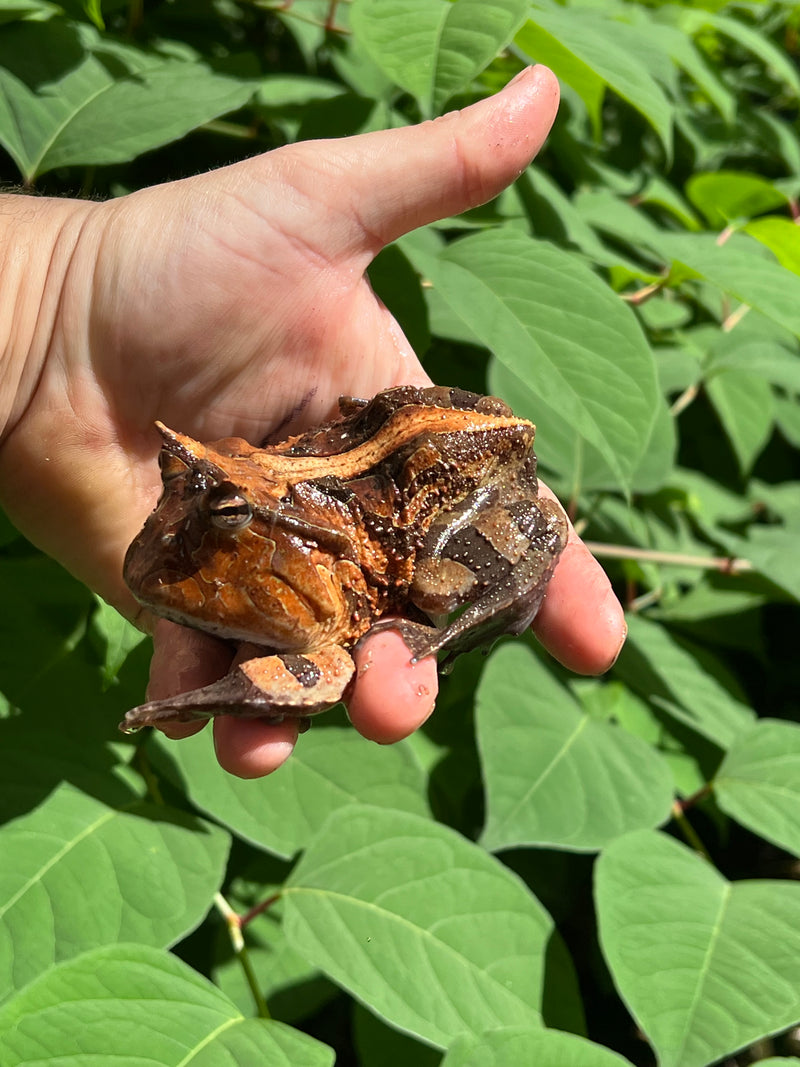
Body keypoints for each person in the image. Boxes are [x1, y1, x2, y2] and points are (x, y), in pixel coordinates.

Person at [0, 65, 625, 779]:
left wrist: (51, 295)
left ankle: (473, 609)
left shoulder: (320, 555)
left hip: (457, 481)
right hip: (379, 449)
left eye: (227, 511)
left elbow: (323, 664)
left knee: (436, 588)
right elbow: (322, 668)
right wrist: (51, 302)